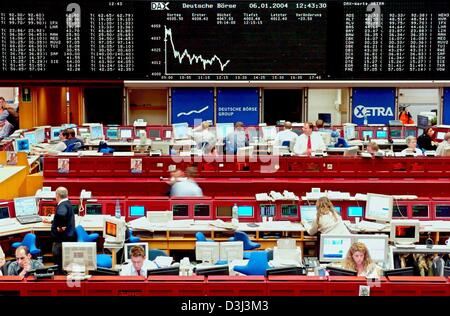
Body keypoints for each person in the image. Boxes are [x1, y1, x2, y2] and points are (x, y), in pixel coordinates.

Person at [43, 187, 76, 272]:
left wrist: (60, 227)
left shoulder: (62, 205)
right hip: (68, 238)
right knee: (64, 262)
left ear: (57, 195)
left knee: (59, 263)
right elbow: (62, 217)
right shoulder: (68, 203)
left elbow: (61, 214)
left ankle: (59, 276)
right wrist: (52, 221)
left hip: (61, 240)